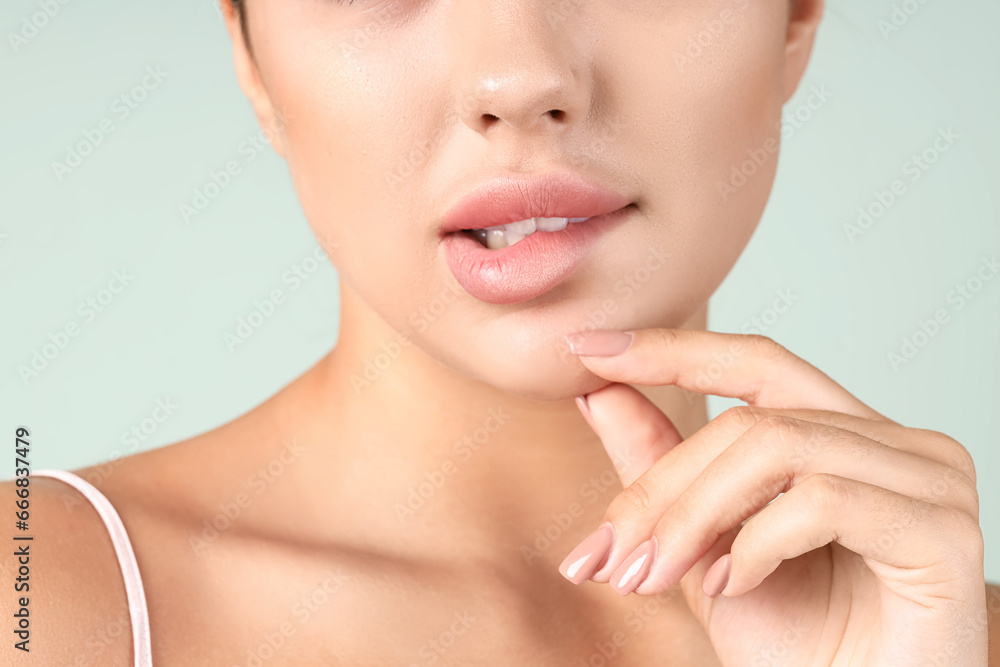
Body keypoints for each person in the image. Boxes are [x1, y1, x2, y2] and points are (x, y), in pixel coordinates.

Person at [4, 0, 999, 664]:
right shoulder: (39, 603)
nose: (520, 78)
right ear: (251, 61)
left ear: (793, 17)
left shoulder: (941, 629)